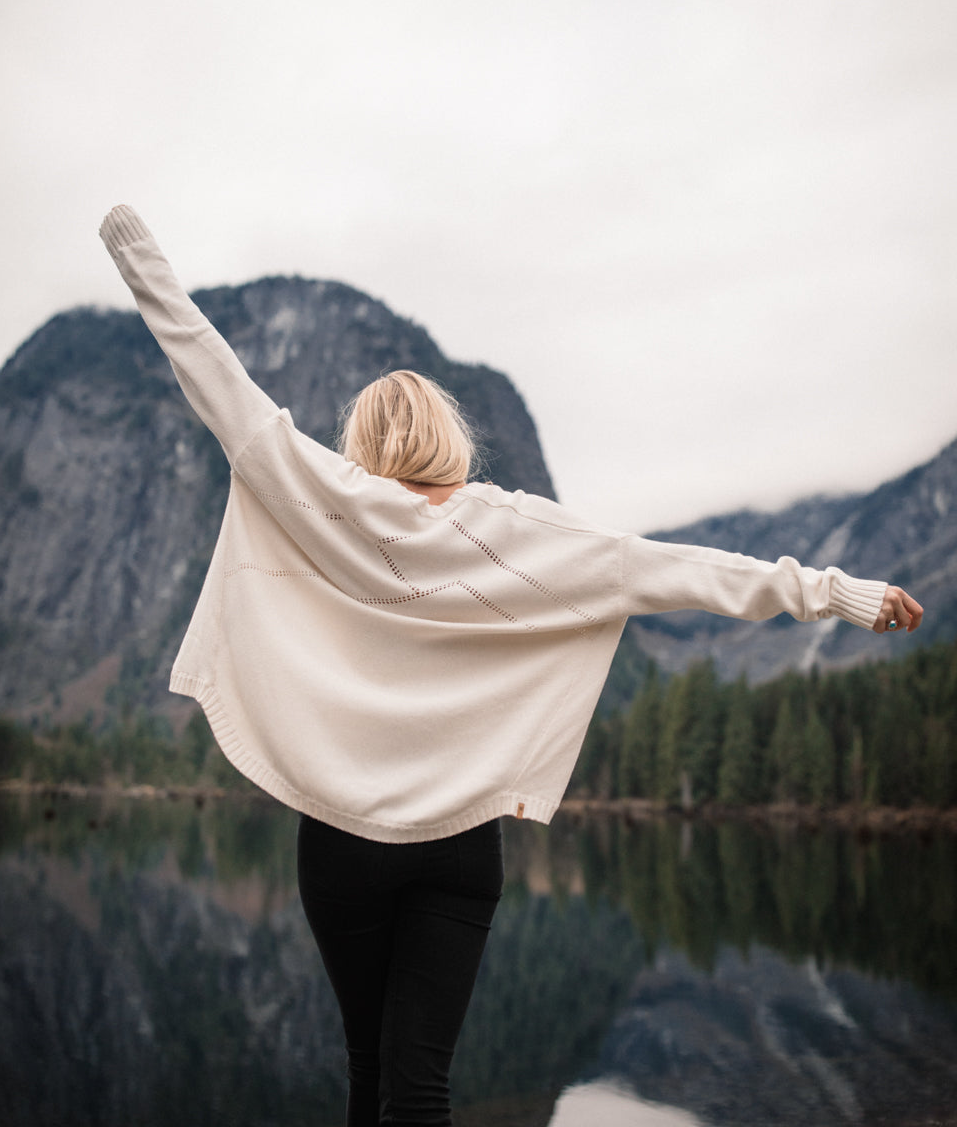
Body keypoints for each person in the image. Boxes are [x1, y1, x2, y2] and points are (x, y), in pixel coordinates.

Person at [98, 205, 923, 1127]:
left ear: (361, 443)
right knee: (421, 1086)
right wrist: (836, 592)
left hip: (341, 838)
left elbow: (211, 373)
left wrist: (135, 253)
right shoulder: (517, 528)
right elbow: (678, 569)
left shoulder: (318, 495)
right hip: (460, 843)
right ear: (448, 437)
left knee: (368, 1069)